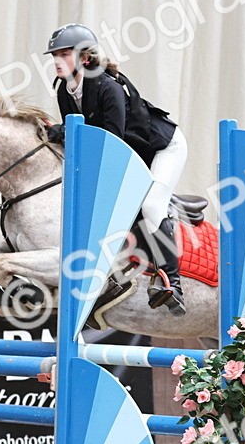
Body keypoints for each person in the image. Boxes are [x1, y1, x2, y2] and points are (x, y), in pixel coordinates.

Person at [44, 23, 188, 316]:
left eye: (64, 54)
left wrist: (63, 131)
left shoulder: (108, 87)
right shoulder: (65, 90)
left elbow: (112, 141)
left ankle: (171, 283)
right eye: (54, 55)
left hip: (162, 148)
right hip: (131, 150)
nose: (57, 61)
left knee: (151, 203)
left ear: (85, 58)